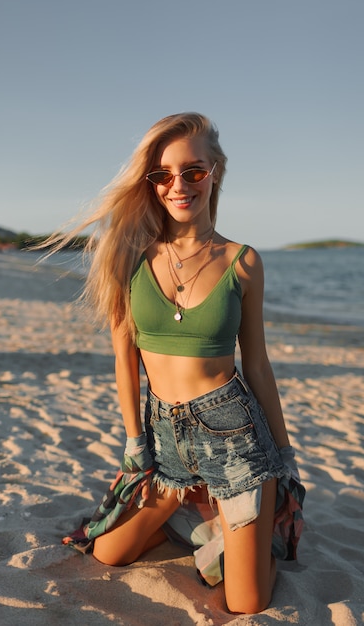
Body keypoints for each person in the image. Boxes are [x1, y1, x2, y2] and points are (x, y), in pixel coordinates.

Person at [59, 112, 304, 615]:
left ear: (214, 171)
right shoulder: (129, 257)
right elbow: (124, 362)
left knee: (245, 601)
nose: (178, 185)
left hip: (236, 440)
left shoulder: (244, 261)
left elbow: (256, 366)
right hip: (164, 440)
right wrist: (134, 447)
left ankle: (246, 546)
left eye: (193, 171)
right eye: (163, 175)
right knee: (110, 552)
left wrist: (285, 457)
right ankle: (192, 508)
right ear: (151, 183)